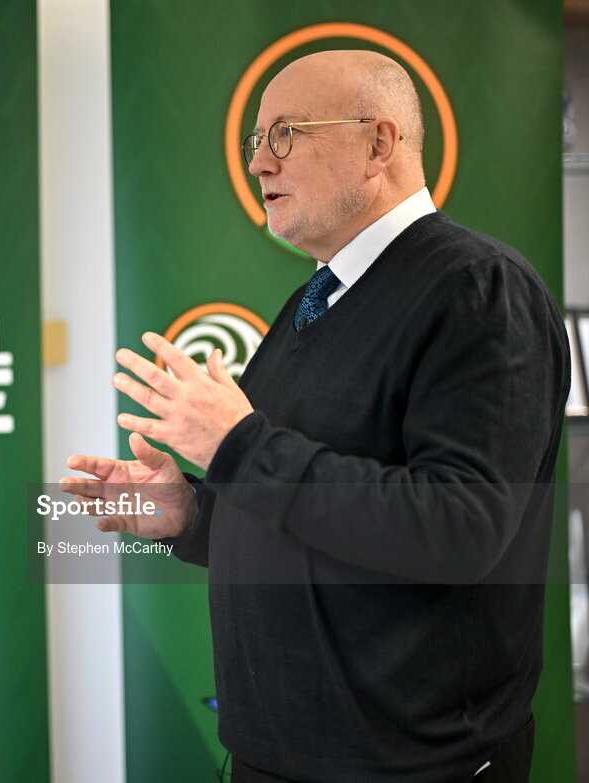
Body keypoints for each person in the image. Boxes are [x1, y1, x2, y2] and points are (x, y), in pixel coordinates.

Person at [63, 50, 569, 783]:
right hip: (278, 754)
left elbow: (461, 529)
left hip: (411, 767)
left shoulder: (477, 290)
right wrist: (192, 514)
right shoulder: (315, 299)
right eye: (255, 142)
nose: (261, 163)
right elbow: (307, 512)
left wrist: (238, 443)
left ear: (379, 144)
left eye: (287, 133)